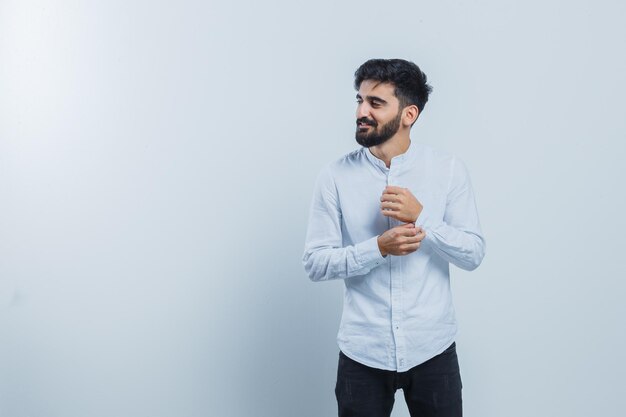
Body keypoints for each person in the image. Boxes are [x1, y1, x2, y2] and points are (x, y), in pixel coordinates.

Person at [302, 58, 486, 417]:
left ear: (409, 114)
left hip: (432, 349)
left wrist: (424, 218)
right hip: (363, 352)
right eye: (360, 100)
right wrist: (377, 249)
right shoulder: (335, 176)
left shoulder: (447, 170)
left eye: (376, 103)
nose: (362, 111)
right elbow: (315, 262)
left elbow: (473, 254)